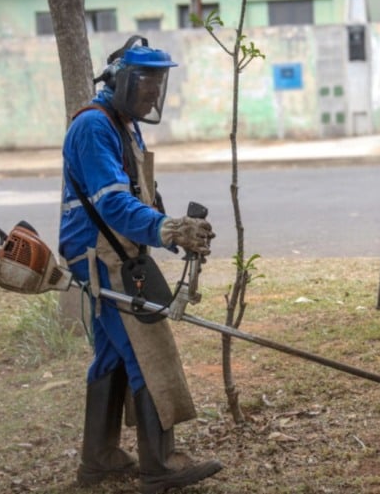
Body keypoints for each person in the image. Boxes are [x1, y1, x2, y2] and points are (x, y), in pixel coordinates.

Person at [59, 36, 223, 494]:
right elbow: (111, 204)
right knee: (147, 350)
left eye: (159, 82)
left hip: (117, 249)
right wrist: (168, 229)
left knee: (112, 355)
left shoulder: (124, 123)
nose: (154, 92)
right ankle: (160, 466)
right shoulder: (94, 127)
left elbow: (137, 195)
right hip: (98, 254)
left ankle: (100, 459)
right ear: (120, 81)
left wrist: (172, 231)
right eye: (146, 81)